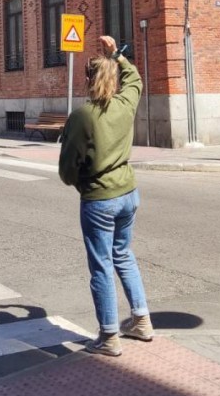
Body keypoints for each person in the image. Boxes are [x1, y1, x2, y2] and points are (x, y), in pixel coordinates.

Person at [59, 35, 151, 357]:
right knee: (123, 255)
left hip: (99, 198)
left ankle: (109, 336)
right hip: (128, 192)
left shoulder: (82, 117)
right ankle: (141, 321)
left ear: (88, 80)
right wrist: (118, 56)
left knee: (101, 266)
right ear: (113, 79)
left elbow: (66, 170)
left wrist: (81, 183)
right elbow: (135, 80)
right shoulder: (125, 105)